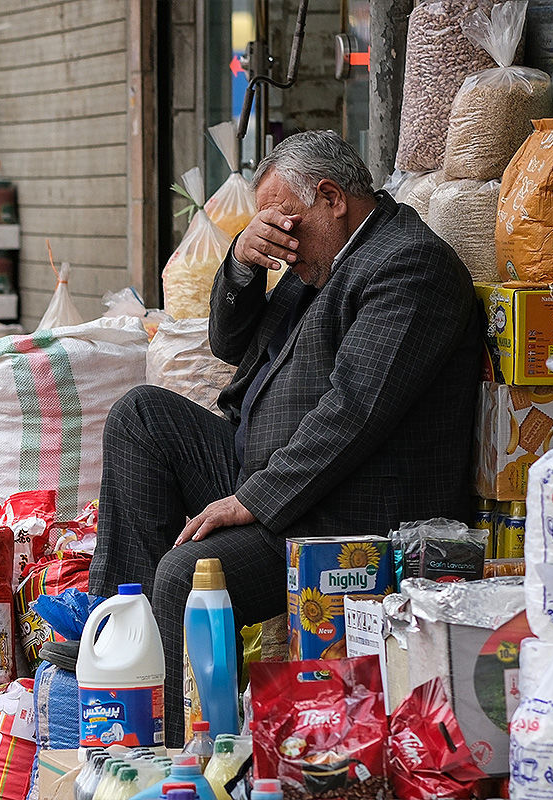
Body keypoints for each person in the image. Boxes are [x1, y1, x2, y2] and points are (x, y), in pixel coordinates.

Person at [89, 130, 481, 746]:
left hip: (340, 509)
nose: (286, 244)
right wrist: (243, 263)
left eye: (288, 224)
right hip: (266, 467)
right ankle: (120, 648)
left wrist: (251, 501)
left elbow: (354, 414)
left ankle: (168, 749)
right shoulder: (318, 253)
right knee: (140, 418)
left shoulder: (408, 266)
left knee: (188, 576)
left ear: (331, 198)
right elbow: (230, 343)